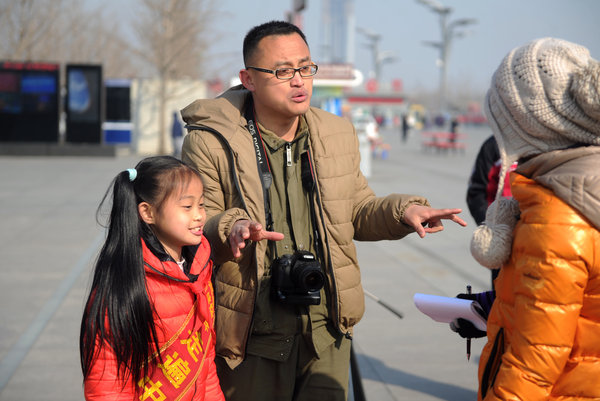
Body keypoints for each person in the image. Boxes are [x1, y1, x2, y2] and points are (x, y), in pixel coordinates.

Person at [180, 20, 467, 401]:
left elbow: (358, 210)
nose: (298, 80)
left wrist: (404, 211)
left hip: (325, 330)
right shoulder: (210, 141)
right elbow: (200, 220)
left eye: (305, 67)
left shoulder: (335, 134)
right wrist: (232, 227)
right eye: (283, 71)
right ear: (248, 78)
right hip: (252, 333)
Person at [466, 38, 600, 400]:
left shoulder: (558, 217)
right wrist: (497, 306)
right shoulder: (585, 187)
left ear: (527, 126)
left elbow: (533, 366)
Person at [80, 156, 225, 401]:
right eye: (187, 207)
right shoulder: (125, 283)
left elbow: (205, 364)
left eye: (201, 205)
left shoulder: (201, 269)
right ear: (148, 212)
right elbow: (107, 384)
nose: (200, 215)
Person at [466, 135, 517, 287]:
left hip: (537, 242)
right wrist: (493, 229)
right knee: (501, 298)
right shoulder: (493, 146)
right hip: (503, 243)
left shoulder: (549, 144)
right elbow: (476, 193)